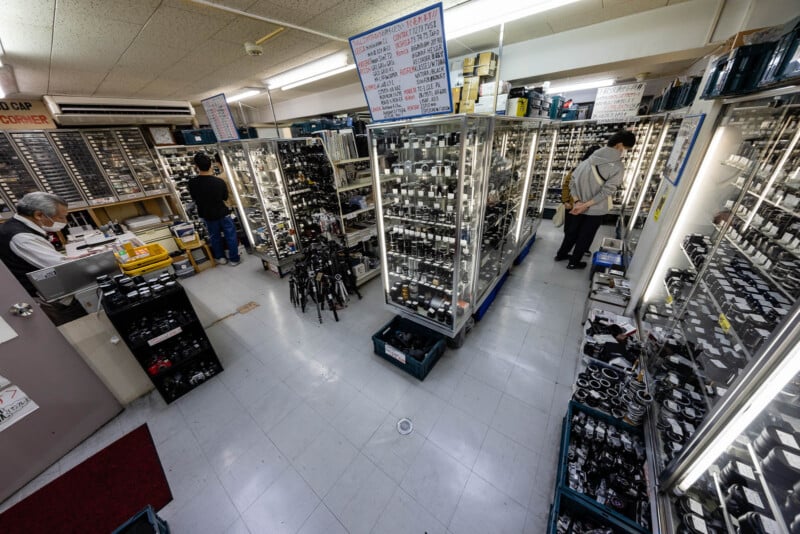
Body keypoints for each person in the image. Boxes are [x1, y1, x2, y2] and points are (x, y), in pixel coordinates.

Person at [0, 192, 87, 325]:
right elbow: (62, 267)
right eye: (61, 217)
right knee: (79, 326)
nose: (64, 221)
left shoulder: (16, 226)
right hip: (50, 300)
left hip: (48, 292)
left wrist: (71, 258)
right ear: (39, 215)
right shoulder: (22, 237)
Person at [554, 129, 636, 269]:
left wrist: (578, 202)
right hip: (595, 209)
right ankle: (574, 262)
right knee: (585, 236)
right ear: (619, 145)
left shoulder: (589, 160)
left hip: (577, 206)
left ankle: (561, 254)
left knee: (571, 232)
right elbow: (607, 191)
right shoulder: (618, 166)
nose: (625, 152)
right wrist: (586, 205)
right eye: (626, 149)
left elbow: (572, 181)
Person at [187, 152, 241, 266]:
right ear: (211, 165)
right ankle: (234, 259)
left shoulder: (192, 183)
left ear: (196, 166)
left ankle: (220, 258)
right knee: (230, 236)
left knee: (214, 237)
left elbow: (194, 198)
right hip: (222, 212)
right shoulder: (219, 181)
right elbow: (224, 197)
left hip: (207, 214)